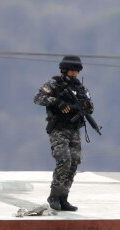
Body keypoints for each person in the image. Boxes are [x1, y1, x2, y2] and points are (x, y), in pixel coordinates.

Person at [33, 55, 96, 211]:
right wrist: (56, 101)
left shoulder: (81, 89)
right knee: (64, 160)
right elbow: (38, 97)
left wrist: (85, 105)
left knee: (74, 163)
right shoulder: (55, 84)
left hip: (74, 130)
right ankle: (54, 196)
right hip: (59, 129)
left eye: (76, 71)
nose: (74, 73)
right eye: (72, 70)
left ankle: (63, 197)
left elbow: (90, 108)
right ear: (64, 69)